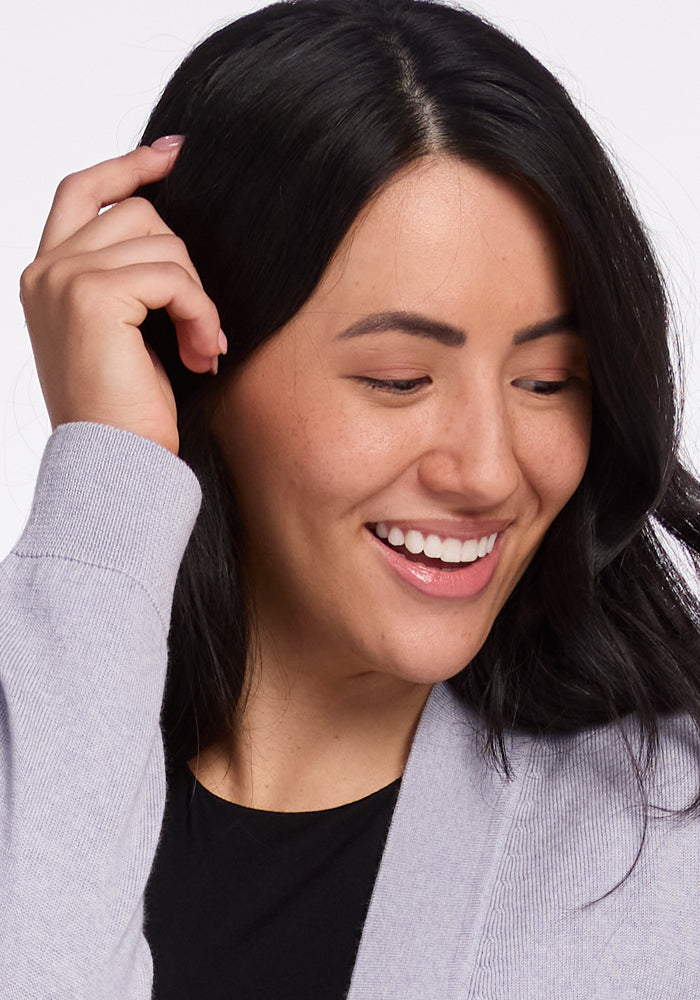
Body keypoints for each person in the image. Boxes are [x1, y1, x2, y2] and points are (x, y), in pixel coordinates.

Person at [2, 0, 699, 996]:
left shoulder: (667, 849)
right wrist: (107, 469)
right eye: (397, 379)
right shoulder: (42, 739)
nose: (490, 472)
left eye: (548, 382)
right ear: (195, 357)